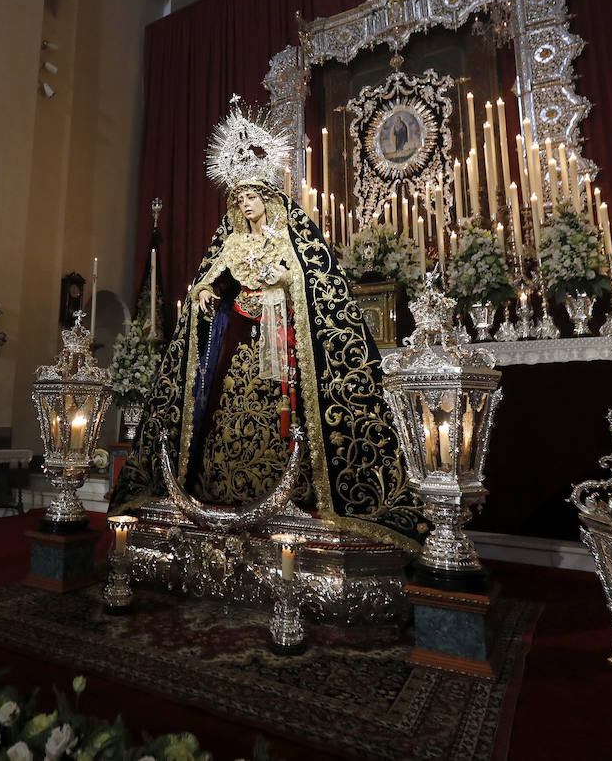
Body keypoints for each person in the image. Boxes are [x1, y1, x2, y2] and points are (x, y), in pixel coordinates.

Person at [111, 101, 425, 549]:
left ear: (267, 198)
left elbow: (315, 281)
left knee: (287, 415)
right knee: (223, 414)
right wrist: (201, 293)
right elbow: (210, 278)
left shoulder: (289, 236)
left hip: (283, 349)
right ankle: (220, 490)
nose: (245, 204)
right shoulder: (234, 240)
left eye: (252, 197)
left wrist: (285, 279)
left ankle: (294, 490)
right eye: (239, 198)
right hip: (237, 345)